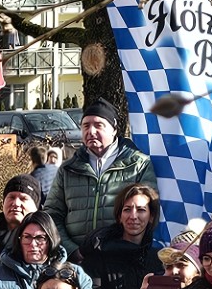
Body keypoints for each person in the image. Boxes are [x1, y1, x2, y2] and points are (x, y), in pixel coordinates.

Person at [41, 100, 157, 243]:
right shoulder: (68, 169)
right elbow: (52, 214)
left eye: (98, 125)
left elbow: (150, 211)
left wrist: (127, 248)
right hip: (78, 259)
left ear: (114, 129)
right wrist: (71, 251)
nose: (91, 131)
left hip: (122, 256)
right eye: (86, 126)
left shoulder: (138, 164)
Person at [0, 211, 95, 289]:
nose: (33, 244)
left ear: (51, 240)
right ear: (19, 239)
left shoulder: (75, 274)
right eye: (27, 237)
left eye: (40, 238)